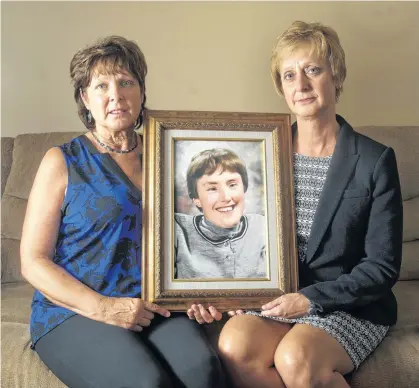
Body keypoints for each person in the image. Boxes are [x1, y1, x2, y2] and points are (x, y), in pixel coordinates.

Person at [188, 21, 403, 387]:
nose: (300, 85)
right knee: (233, 344)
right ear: (281, 87)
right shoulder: (262, 155)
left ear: (336, 76)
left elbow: (381, 268)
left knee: (296, 357)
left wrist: (309, 301)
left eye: (313, 70)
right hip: (276, 300)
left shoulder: (373, 160)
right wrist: (219, 293)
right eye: (289, 75)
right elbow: (237, 237)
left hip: (349, 305)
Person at [20, 36, 226, 388]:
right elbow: (33, 261)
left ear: (142, 93)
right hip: (75, 310)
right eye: (101, 85)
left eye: (126, 82)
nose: (115, 94)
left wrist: (201, 293)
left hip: (154, 305)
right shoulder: (62, 161)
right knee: (146, 383)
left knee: (203, 372)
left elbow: (190, 237)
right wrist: (104, 308)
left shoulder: (168, 154)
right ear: (86, 98)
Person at [175, 148, 267, 279]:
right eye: (212, 188)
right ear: (196, 199)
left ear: (244, 188)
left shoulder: (263, 227)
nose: (226, 197)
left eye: (232, 185)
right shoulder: (177, 229)